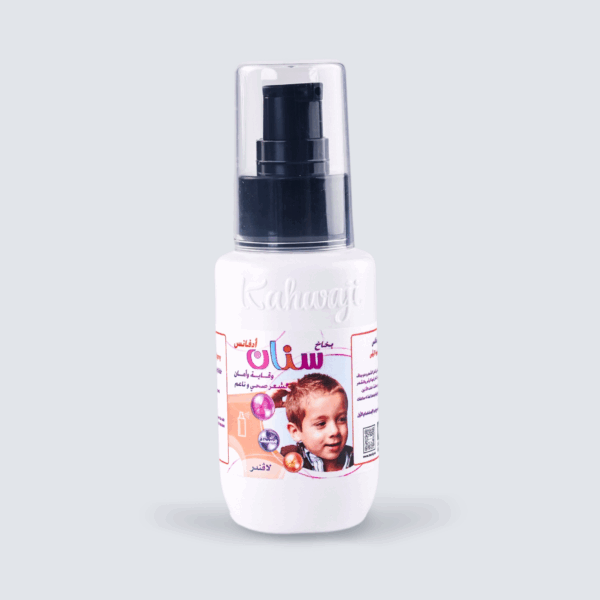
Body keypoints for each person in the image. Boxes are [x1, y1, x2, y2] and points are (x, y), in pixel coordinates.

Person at [273, 373, 353, 472]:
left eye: (341, 419)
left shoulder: (355, 457)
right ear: (295, 432)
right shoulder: (286, 458)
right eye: (321, 423)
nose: (334, 431)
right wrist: (265, 399)